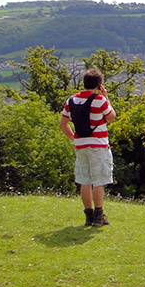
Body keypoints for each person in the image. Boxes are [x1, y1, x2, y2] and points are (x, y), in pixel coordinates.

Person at [59, 68, 116, 227]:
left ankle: (88, 215)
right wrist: (106, 98)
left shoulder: (71, 101)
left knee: (85, 180)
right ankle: (99, 215)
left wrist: (74, 137)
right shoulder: (99, 100)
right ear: (99, 85)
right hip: (98, 145)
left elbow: (63, 124)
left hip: (81, 144)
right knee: (99, 180)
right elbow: (111, 118)